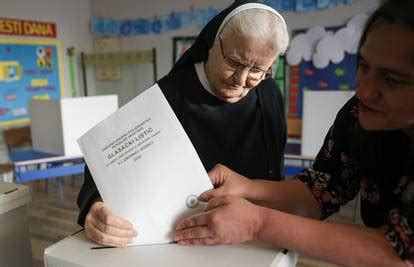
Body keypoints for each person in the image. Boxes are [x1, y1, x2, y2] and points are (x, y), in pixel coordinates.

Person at [173, 0, 414, 266]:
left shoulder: (269, 96)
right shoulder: (357, 114)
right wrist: (249, 188)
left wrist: (257, 222)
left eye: (392, 79)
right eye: (364, 66)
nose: (365, 91)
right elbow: (320, 189)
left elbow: (397, 252)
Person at [77, 0, 290, 247]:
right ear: (213, 43)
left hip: (257, 238)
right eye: (234, 61)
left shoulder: (269, 94)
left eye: (258, 70)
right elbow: (104, 164)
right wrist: (94, 206)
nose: (241, 80)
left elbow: (277, 170)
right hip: (184, 241)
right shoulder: (169, 94)